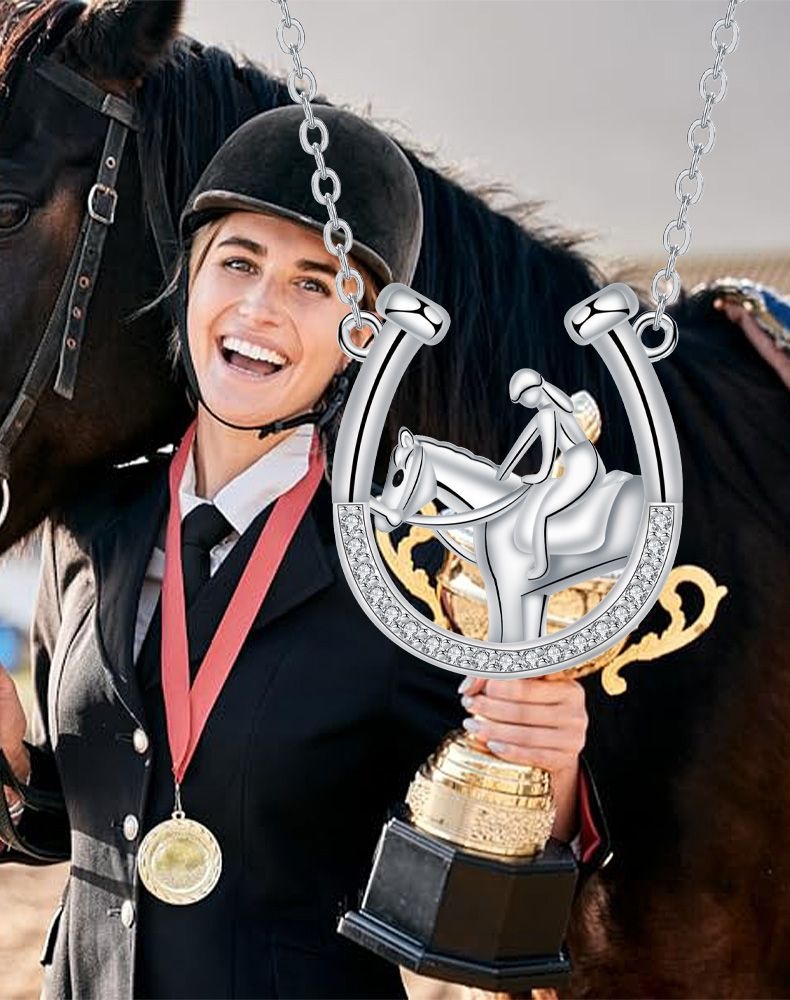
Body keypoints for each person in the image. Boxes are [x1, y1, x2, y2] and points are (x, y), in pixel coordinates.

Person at [0, 107, 608, 999]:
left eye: (314, 284)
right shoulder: (90, 525)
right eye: (239, 263)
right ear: (190, 282)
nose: (260, 308)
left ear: (364, 340)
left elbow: (477, 914)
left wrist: (545, 774)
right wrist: (13, 760)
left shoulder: (408, 573)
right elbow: (75, 823)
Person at [496, 368, 605, 579]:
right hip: (578, 462)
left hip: (579, 466)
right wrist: (504, 469)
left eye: (523, 397)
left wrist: (540, 476)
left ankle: (542, 566)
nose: (523, 402)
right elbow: (522, 445)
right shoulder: (553, 408)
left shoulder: (553, 413)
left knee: (543, 513)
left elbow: (549, 458)